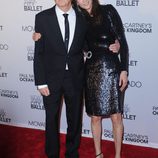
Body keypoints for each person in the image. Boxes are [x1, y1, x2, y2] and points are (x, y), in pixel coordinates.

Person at [33, 0, 88, 158]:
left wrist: (113, 45)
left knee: (75, 119)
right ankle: (52, 154)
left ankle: (72, 153)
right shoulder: (42, 18)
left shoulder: (82, 17)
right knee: (51, 118)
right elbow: (39, 53)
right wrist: (40, 82)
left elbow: (88, 44)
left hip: (75, 77)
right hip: (50, 79)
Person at [76, 0, 129, 158]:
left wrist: (124, 70)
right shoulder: (77, 19)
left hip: (112, 68)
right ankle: (98, 154)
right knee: (95, 117)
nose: (83, 0)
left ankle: (118, 155)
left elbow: (123, 42)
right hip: (91, 70)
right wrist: (40, 36)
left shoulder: (108, 11)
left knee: (116, 116)